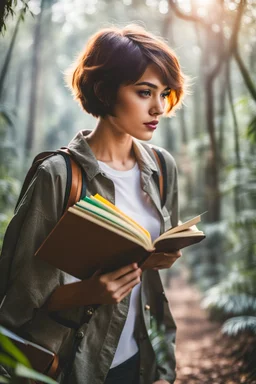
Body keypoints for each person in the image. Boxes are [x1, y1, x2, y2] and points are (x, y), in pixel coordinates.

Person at [0, 24, 186, 384]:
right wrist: (87, 292)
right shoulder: (58, 175)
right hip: (72, 364)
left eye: (164, 94)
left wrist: (159, 257)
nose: (158, 107)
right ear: (104, 90)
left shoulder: (162, 168)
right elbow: (16, 303)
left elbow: (151, 271)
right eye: (145, 92)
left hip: (138, 355)